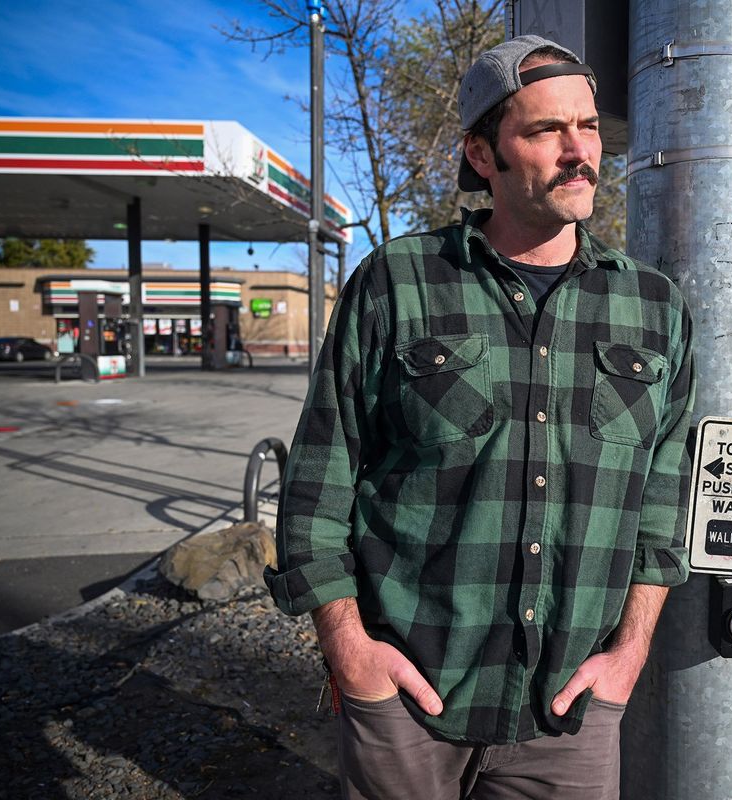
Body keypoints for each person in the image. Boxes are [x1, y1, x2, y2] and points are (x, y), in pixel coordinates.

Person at [266, 34, 696, 800]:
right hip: (407, 699)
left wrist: (629, 654)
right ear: (481, 153)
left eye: (588, 126)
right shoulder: (397, 283)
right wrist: (349, 653)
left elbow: (663, 506)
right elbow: (316, 485)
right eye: (545, 130)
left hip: (570, 712)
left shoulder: (654, 308)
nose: (579, 151)